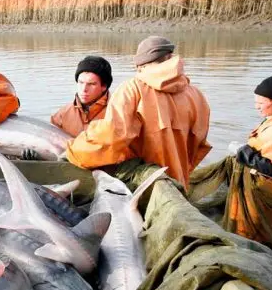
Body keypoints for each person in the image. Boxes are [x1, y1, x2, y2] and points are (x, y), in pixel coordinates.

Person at [65, 36, 211, 189]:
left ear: (140, 64)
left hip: (144, 186)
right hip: (180, 183)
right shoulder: (196, 94)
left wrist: (72, 151)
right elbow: (199, 144)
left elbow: (110, 137)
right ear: (170, 58)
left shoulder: (132, 89)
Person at [51, 55, 112, 137]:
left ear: (104, 86)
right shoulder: (62, 114)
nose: (84, 89)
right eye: (81, 82)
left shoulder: (117, 113)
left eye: (91, 84)